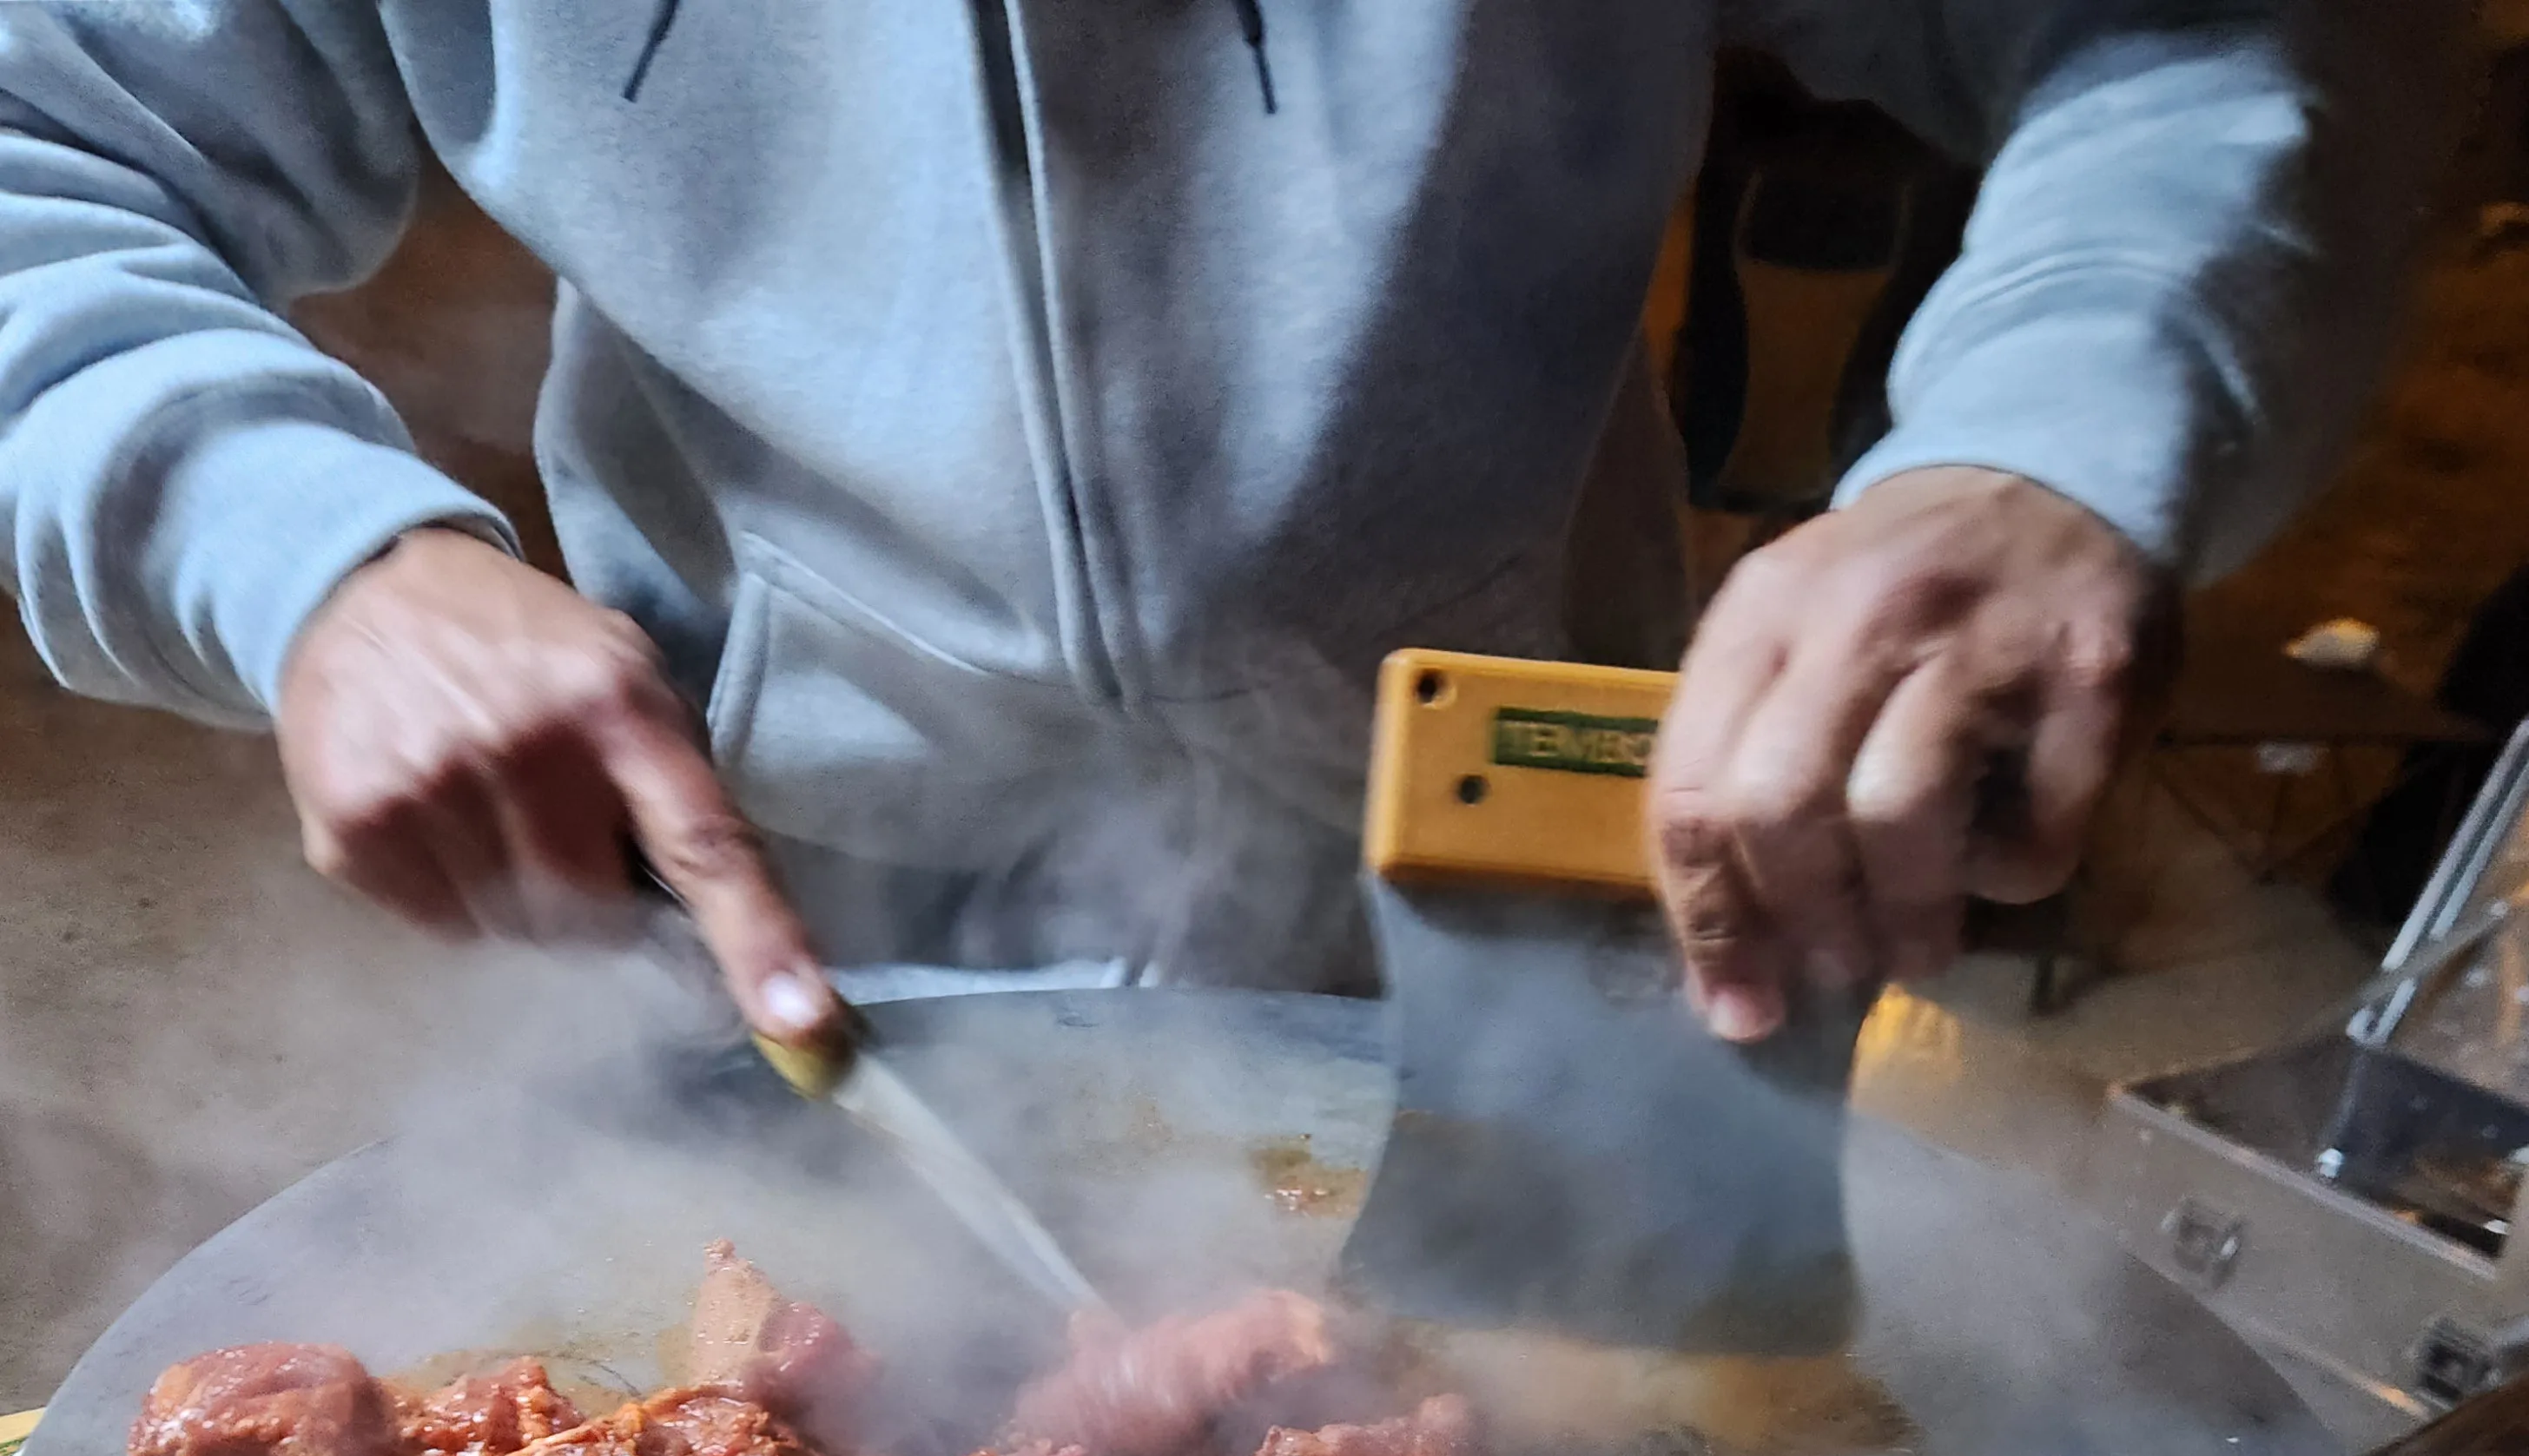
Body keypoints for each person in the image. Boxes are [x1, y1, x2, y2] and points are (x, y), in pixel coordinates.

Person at [0, 3, 2457, 1051]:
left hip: (1577, 877)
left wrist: (2044, 435)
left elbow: (2222, 31)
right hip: (769, 917)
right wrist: (303, 541)